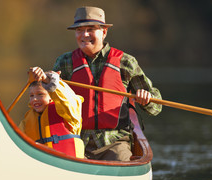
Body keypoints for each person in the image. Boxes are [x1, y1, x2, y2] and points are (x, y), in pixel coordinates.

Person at [52, 6, 162, 161]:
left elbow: (156, 107)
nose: (84, 35)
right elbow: (49, 98)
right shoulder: (64, 62)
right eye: (79, 30)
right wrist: (44, 82)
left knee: (121, 160)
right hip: (76, 140)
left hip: (114, 142)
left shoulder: (126, 62)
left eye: (91, 29)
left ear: (103, 32)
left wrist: (147, 99)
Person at [19, 67, 85, 158]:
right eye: (31, 95)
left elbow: (67, 100)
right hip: (41, 166)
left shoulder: (68, 113)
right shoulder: (27, 120)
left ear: (51, 96)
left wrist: (48, 80)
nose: (34, 99)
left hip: (68, 164)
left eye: (40, 94)